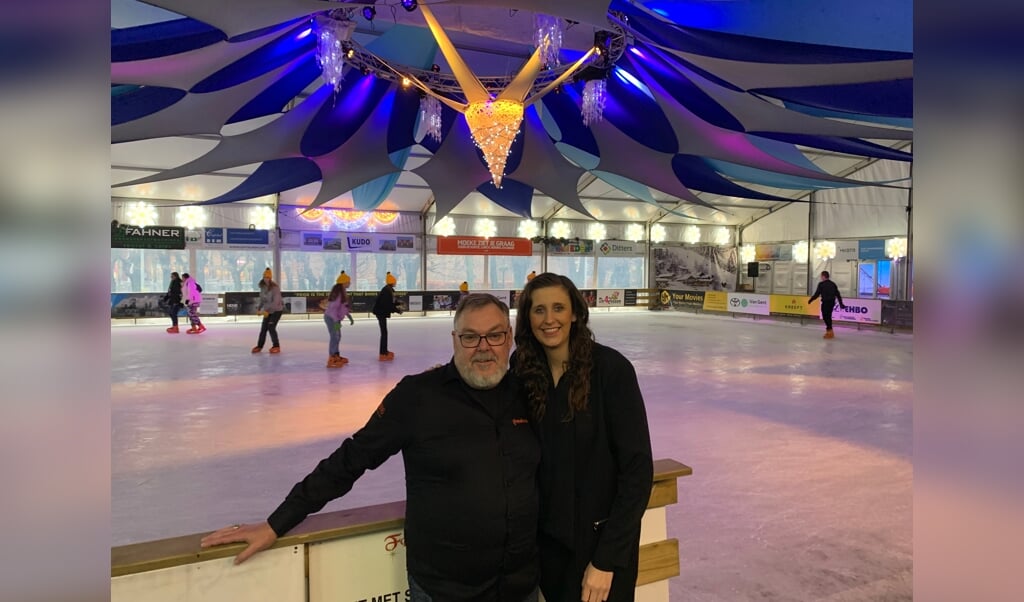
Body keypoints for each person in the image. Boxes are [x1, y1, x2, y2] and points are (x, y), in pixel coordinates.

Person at [200, 294, 541, 602]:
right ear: (454, 340)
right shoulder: (418, 397)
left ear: (509, 338)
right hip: (447, 589)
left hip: (520, 584)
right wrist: (278, 522)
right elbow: (351, 460)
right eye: (470, 336)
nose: (484, 346)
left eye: (495, 335)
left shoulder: (528, 394)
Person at [512, 272, 653, 602]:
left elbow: (637, 471)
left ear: (575, 312)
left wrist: (606, 560)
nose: (549, 320)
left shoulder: (611, 370)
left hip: (599, 549)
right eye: (539, 310)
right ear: (527, 318)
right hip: (548, 549)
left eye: (558, 308)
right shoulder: (522, 369)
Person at [372, 271, 403, 361]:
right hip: (380, 313)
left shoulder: (389, 289)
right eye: (395, 281)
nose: (396, 282)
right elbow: (388, 305)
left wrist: (398, 303)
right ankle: (382, 353)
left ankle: (384, 351)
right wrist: (397, 310)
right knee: (384, 333)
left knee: (385, 333)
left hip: (381, 312)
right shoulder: (387, 291)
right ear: (391, 282)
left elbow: (391, 302)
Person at [324, 272, 352, 368]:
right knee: (335, 336)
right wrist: (336, 321)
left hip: (336, 319)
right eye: (348, 282)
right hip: (332, 318)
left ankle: (336, 355)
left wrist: (349, 316)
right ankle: (332, 358)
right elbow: (333, 309)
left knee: (338, 336)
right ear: (344, 282)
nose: (350, 283)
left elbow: (343, 307)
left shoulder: (342, 292)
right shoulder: (339, 293)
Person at [252, 268, 284, 353]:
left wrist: (267, 310)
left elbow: (276, 302)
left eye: (268, 277)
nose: (266, 279)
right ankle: (259, 346)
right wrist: (259, 308)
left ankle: (276, 346)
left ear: (270, 278)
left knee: (271, 327)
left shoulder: (275, 288)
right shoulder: (262, 288)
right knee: (263, 328)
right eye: (265, 277)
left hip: (276, 310)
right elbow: (262, 299)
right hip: (267, 311)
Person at [808, 270, 846, 339]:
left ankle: (829, 331)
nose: (821, 277)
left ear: (823, 276)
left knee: (825, 316)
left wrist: (811, 300)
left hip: (826, 303)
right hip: (831, 303)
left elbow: (817, 294)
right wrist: (841, 304)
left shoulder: (821, 284)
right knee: (828, 316)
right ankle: (830, 332)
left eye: (821, 276)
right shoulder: (833, 284)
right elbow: (838, 295)